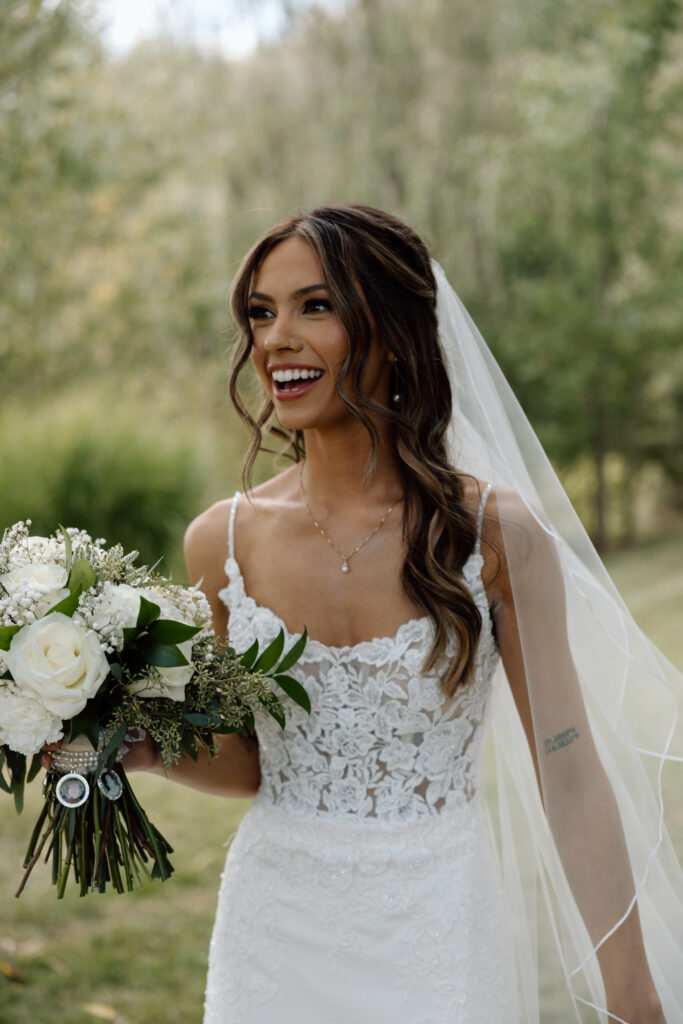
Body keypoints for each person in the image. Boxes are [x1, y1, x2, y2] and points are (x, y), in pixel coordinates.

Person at [123, 205, 682, 1022]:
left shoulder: (495, 537)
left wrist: (635, 1001)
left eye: (315, 306)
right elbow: (253, 762)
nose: (276, 338)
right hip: (275, 929)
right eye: (260, 312)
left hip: (437, 923)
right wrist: (138, 745)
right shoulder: (223, 542)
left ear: (389, 330)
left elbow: (568, 777)